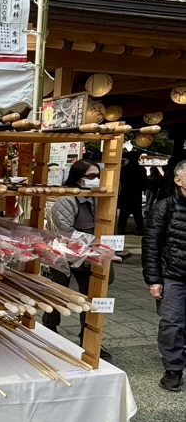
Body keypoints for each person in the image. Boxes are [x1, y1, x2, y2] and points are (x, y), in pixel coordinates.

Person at [42, 160, 112, 359]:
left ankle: (88, 337)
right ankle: (49, 329)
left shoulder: (98, 196)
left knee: (90, 296)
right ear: (78, 177)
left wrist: (101, 244)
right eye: (91, 176)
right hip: (64, 254)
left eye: (97, 176)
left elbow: (104, 221)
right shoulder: (67, 198)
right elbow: (65, 230)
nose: (95, 180)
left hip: (90, 255)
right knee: (58, 292)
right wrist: (92, 241)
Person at [143, 159, 186, 391]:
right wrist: (154, 279)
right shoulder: (165, 207)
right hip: (173, 274)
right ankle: (173, 368)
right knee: (172, 322)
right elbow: (151, 245)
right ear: (179, 181)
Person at [117, 150, 147, 235]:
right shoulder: (141, 169)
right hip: (136, 193)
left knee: (124, 213)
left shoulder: (123, 169)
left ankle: (121, 229)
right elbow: (145, 182)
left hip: (125, 192)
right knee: (137, 213)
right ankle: (140, 230)